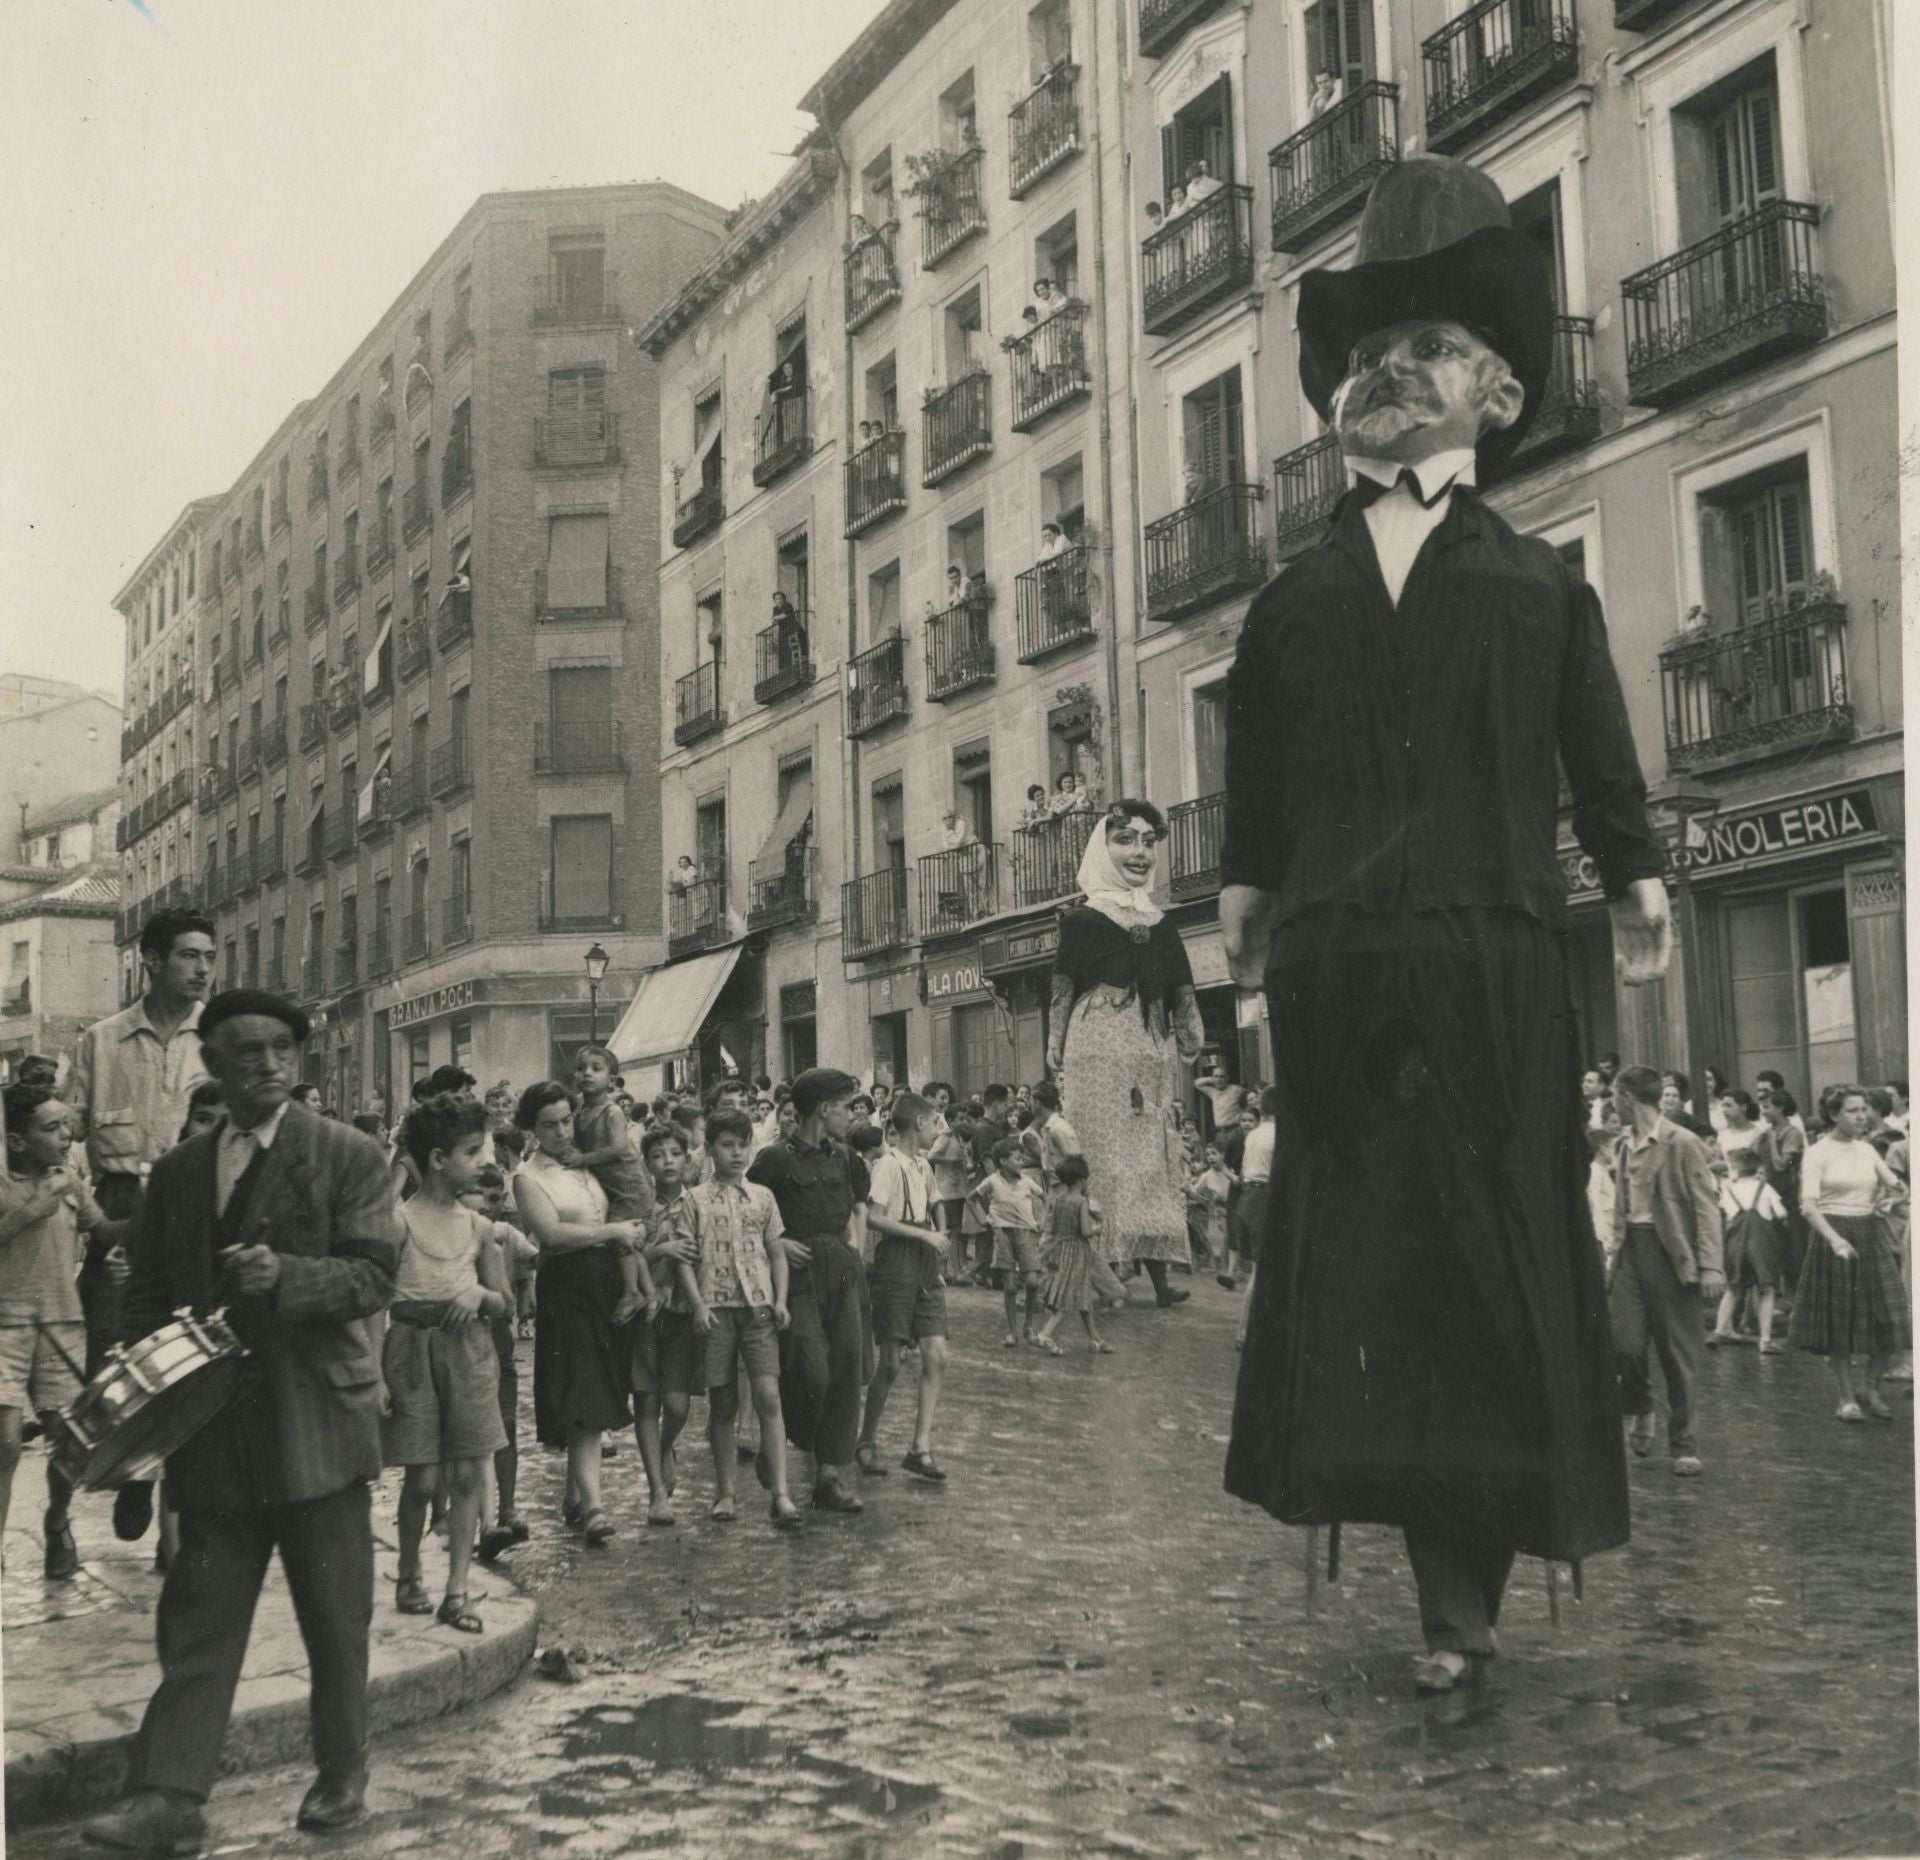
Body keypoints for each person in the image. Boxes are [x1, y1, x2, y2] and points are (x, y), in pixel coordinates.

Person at [1221, 155, 1670, 1695]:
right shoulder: (1290, 600)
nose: (1384, 376)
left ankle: (1462, 1597)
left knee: (1488, 1269)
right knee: (1375, 1278)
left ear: (1490, 389)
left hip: (1494, 962)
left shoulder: (1543, 587)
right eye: (1364, 357)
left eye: (1420, 351)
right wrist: (1241, 908)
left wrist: (1641, 873)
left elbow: (1601, 759)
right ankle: (1432, 1586)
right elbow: (1259, 793)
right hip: (1340, 972)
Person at [84, 990, 399, 1849]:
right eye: (243, 1052)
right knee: (198, 1618)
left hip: (318, 1424)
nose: (264, 1065)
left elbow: (374, 1277)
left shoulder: (348, 1155)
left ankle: (341, 1772)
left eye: (278, 1050)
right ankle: (169, 1800)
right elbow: (147, 1288)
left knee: (335, 1617)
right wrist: (143, 1395)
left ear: (299, 1061)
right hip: (212, 1435)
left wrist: (288, 1278)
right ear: (212, 1065)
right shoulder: (183, 1170)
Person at [68, 909, 214, 1476]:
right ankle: (81, 1495)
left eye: (209, 956)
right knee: (106, 1344)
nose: (203, 969)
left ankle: (161, 1477)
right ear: (151, 961)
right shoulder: (101, 1042)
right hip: (121, 1206)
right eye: (188, 955)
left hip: (199, 1203)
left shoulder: (218, 1038)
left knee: (193, 1343)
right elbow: (66, 1134)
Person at [1047, 806, 1204, 1310]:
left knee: (1151, 1164)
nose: (1139, 852)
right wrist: (1055, 1038)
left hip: (1149, 1049)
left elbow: (1182, 982)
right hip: (1097, 1045)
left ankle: (1157, 1280)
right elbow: (1063, 985)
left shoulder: (1163, 923)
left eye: (1147, 842)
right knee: (1106, 1163)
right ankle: (1104, 1274)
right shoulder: (1081, 920)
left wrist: (1190, 1023)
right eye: (1125, 840)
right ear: (1103, 848)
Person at [380, 1095, 511, 1634]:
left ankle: (457, 1590)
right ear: (437, 1160)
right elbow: (374, 1300)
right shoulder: (398, 1223)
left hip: (470, 1352)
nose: (485, 1161)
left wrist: (479, 1296)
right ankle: (409, 1570)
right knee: (421, 1479)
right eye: (472, 1151)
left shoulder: (479, 1227)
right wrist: (373, 1374)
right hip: (411, 1351)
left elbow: (506, 1301)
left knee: (463, 1474)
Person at [514, 1080, 652, 1548]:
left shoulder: (584, 1165)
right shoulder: (527, 1177)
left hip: (605, 1283)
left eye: (566, 1120)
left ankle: (574, 1496)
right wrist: (612, 1228)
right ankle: (594, 1508)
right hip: (567, 1286)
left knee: (593, 1389)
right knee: (584, 1392)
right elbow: (550, 1235)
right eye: (548, 1125)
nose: (560, 1131)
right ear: (530, 1128)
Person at [0, 1083, 121, 1572]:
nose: (66, 1137)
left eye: (67, 1126)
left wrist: (151, 1215)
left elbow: (104, 1231)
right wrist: (31, 1212)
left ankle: (57, 1520)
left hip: (63, 1320)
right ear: (16, 1140)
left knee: (67, 1439)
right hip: (4, 1322)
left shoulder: (70, 1177)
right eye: (51, 1128)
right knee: (5, 1441)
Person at [748, 1068, 874, 1515]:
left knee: (844, 1372)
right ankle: (776, 1440)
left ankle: (828, 1478)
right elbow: (748, 1213)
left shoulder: (844, 1157)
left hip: (840, 1271)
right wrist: (778, 1243)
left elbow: (858, 1209)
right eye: (844, 1106)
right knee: (810, 1370)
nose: (850, 1115)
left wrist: (854, 1248)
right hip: (796, 1277)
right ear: (824, 1109)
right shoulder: (774, 1160)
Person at [685, 1108, 801, 1528]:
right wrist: (697, 1303)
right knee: (724, 1404)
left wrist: (781, 1299)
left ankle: (782, 1494)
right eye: (727, 1146)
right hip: (716, 1312)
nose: (736, 1154)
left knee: (769, 1396)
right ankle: (726, 1492)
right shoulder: (694, 1199)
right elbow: (685, 1258)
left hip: (758, 1309)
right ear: (710, 1149)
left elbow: (777, 1252)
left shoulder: (763, 1198)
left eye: (742, 1145)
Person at [1608, 1065, 1724, 1476]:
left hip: (1671, 1255)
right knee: (1623, 1344)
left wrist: (1711, 1265)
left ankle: (1685, 1444)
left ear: (1626, 1098)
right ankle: (1640, 1406)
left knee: (1678, 1354)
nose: (1611, 1105)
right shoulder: (1624, 1146)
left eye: (1613, 1097)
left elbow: (1706, 1206)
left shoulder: (1683, 1142)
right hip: (1629, 1253)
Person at [1790, 1086, 1911, 1422]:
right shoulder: (1817, 1152)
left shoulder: (1868, 1150)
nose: (1861, 1117)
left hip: (1871, 1235)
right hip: (1835, 1238)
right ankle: (1846, 1398)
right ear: (1833, 1115)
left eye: (1863, 1110)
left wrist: (1892, 1198)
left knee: (1892, 1320)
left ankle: (1869, 1387)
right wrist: (1834, 1240)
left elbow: (1898, 1187)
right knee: (1840, 1326)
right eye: (1852, 1111)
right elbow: (1808, 1206)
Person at [858, 1092, 951, 1482]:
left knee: (936, 1353)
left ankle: (920, 1448)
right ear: (917, 1124)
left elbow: (935, 1203)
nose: (937, 1130)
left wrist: (939, 1234)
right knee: (892, 1361)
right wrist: (924, 1238)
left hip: (925, 1261)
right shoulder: (888, 1165)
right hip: (896, 1259)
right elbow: (875, 1220)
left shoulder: (922, 1166)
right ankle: (866, 1439)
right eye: (933, 1123)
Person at [467, 1163, 534, 1563]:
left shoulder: (506, 1236)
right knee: (469, 1433)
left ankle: (506, 1508)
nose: (490, 1208)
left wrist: (526, 1296)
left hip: (499, 1339)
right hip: (467, 1339)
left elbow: (532, 1262)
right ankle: (474, 1518)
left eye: (496, 1199)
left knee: (505, 1423)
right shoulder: (464, 1236)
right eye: (482, 1199)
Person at [1709, 1146, 1789, 1354]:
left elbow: (1724, 1212)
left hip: (1736, 1243)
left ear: (1735, 1169)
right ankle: (1765, 1340)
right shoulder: (1766, 1188)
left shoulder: (1729, 1190)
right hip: (1762, 1245)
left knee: (1733, 1288)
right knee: (1766, 1290)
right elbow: (1781, 1213)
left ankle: (1718, 1331)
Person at [571, 1044, 655, 1230]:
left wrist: (582, 1159)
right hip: (609, 1189)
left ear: (611, 1081)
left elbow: (616, 1150)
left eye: (596, 1068)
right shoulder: (580, 1111)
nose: (587, 1073)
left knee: (619, 1239)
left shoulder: (612, 1112)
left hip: (629, 1191)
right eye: (580, 1068)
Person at [1033, 1153, 1110, 1356]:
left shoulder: (1059, 1199)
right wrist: (1098, 1228)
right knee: (1069, 1296)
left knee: (1082, 1293)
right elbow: (1085, 1231)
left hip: (1061, 1249)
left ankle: (1096, 1339)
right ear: (1082, 1180)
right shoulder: (1082, 1201)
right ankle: (1045, 1334)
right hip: (1077, 1252)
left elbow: (1055, 1228)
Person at [974, 1135, 1045, 1347]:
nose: (1021, 1162)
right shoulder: (992, 1181)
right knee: (1011, 1286)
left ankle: (1029, 1326)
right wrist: (984, 1219)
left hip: (1025, 1233)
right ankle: (1012, 1331)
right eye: (1017, 1158)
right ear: (1004, 1162)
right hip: (1003, 1234)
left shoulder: (1027, 1181)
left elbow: (1045, 1197)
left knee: (1032, 1281)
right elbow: (973, 1197)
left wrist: (1041, 1219)